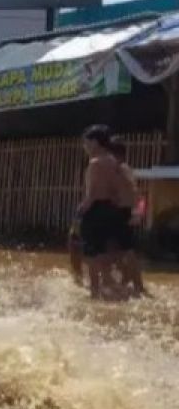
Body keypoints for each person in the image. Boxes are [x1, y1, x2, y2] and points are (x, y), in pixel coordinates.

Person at [77, 125, 136, 300]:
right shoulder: (114, 162)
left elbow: (92, 194)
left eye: (86, 143)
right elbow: (121, 190)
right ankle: (115, 290)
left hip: (95, 211)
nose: (85, 147)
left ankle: (95, 293)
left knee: (91, 255)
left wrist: (81, 210)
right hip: (112, 210)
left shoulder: (95, 163)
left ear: (95, 142)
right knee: (105, 253)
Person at [109, 137, 148, 298]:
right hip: (117, 214)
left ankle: (138, 286)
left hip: (122, 214)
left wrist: (138, 214)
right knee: (116, 251)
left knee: (126, 252)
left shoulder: (123, 170)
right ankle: (127, 283)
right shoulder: (116, 170)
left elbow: (139, 196)